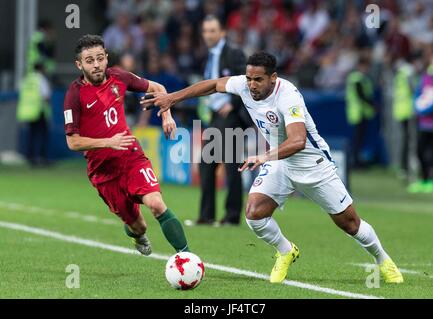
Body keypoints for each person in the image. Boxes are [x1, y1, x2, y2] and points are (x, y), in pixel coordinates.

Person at [142, 52, 404, 284]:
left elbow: (298, 141)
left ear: (273, 78)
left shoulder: (287, 95)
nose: (252, 85)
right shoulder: (244, 86)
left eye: (258, 80)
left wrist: (264, 156)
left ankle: (383, 260)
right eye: (249, 79)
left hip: (312, 164)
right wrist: (173, 98)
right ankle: (286, 250)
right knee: (254, 214)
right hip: (279, 162)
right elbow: (212, 85)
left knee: (349, 224)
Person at [63, 35, 190, 255]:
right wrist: (108, 142)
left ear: (106, 58)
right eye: (90, 61)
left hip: (131, 158)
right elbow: (72, 142)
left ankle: (187, 256)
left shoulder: (119, 77)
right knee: (139, 225)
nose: (96, 65)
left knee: (157, 204)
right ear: (79, 64)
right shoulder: (74, 95)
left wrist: (167, 116)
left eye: (100, 58)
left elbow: (158, 88)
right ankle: (136, 234)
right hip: (103, 171)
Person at [189, 15, 248, 226]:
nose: (208, 35)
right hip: (215, 116)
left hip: (230, 116)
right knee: (206, 164)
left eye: (212, 30)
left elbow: (246, 80)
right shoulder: (211, 56)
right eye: (205, 31)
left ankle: (231, 217)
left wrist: (232, 103)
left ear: (222, 32)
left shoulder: (233, 53)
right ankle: (207, 216)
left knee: (232, 166)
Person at [408, 50, 433, 193]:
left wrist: (423, 109)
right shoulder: (426, 77)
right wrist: (416, 106)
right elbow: (418, 94)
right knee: (420, 150)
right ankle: (424, 179)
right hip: (423, 122)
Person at [16, 63, 52, 167]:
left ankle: (30, 158)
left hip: (27, 111)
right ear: (41, 69)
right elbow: (46, 96)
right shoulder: (41, 79)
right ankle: (40, 158)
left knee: (31, 135)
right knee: (41, 135)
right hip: (39, 111)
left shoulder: (27, 79)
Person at [345, 57, 376, 168]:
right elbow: (361, 95)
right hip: (358, 113)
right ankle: (355, 162)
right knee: (357, 140)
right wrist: (373, 105)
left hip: (361, 113)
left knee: (360, 139)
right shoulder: (357, 78)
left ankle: (357, 161)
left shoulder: (361, 78)